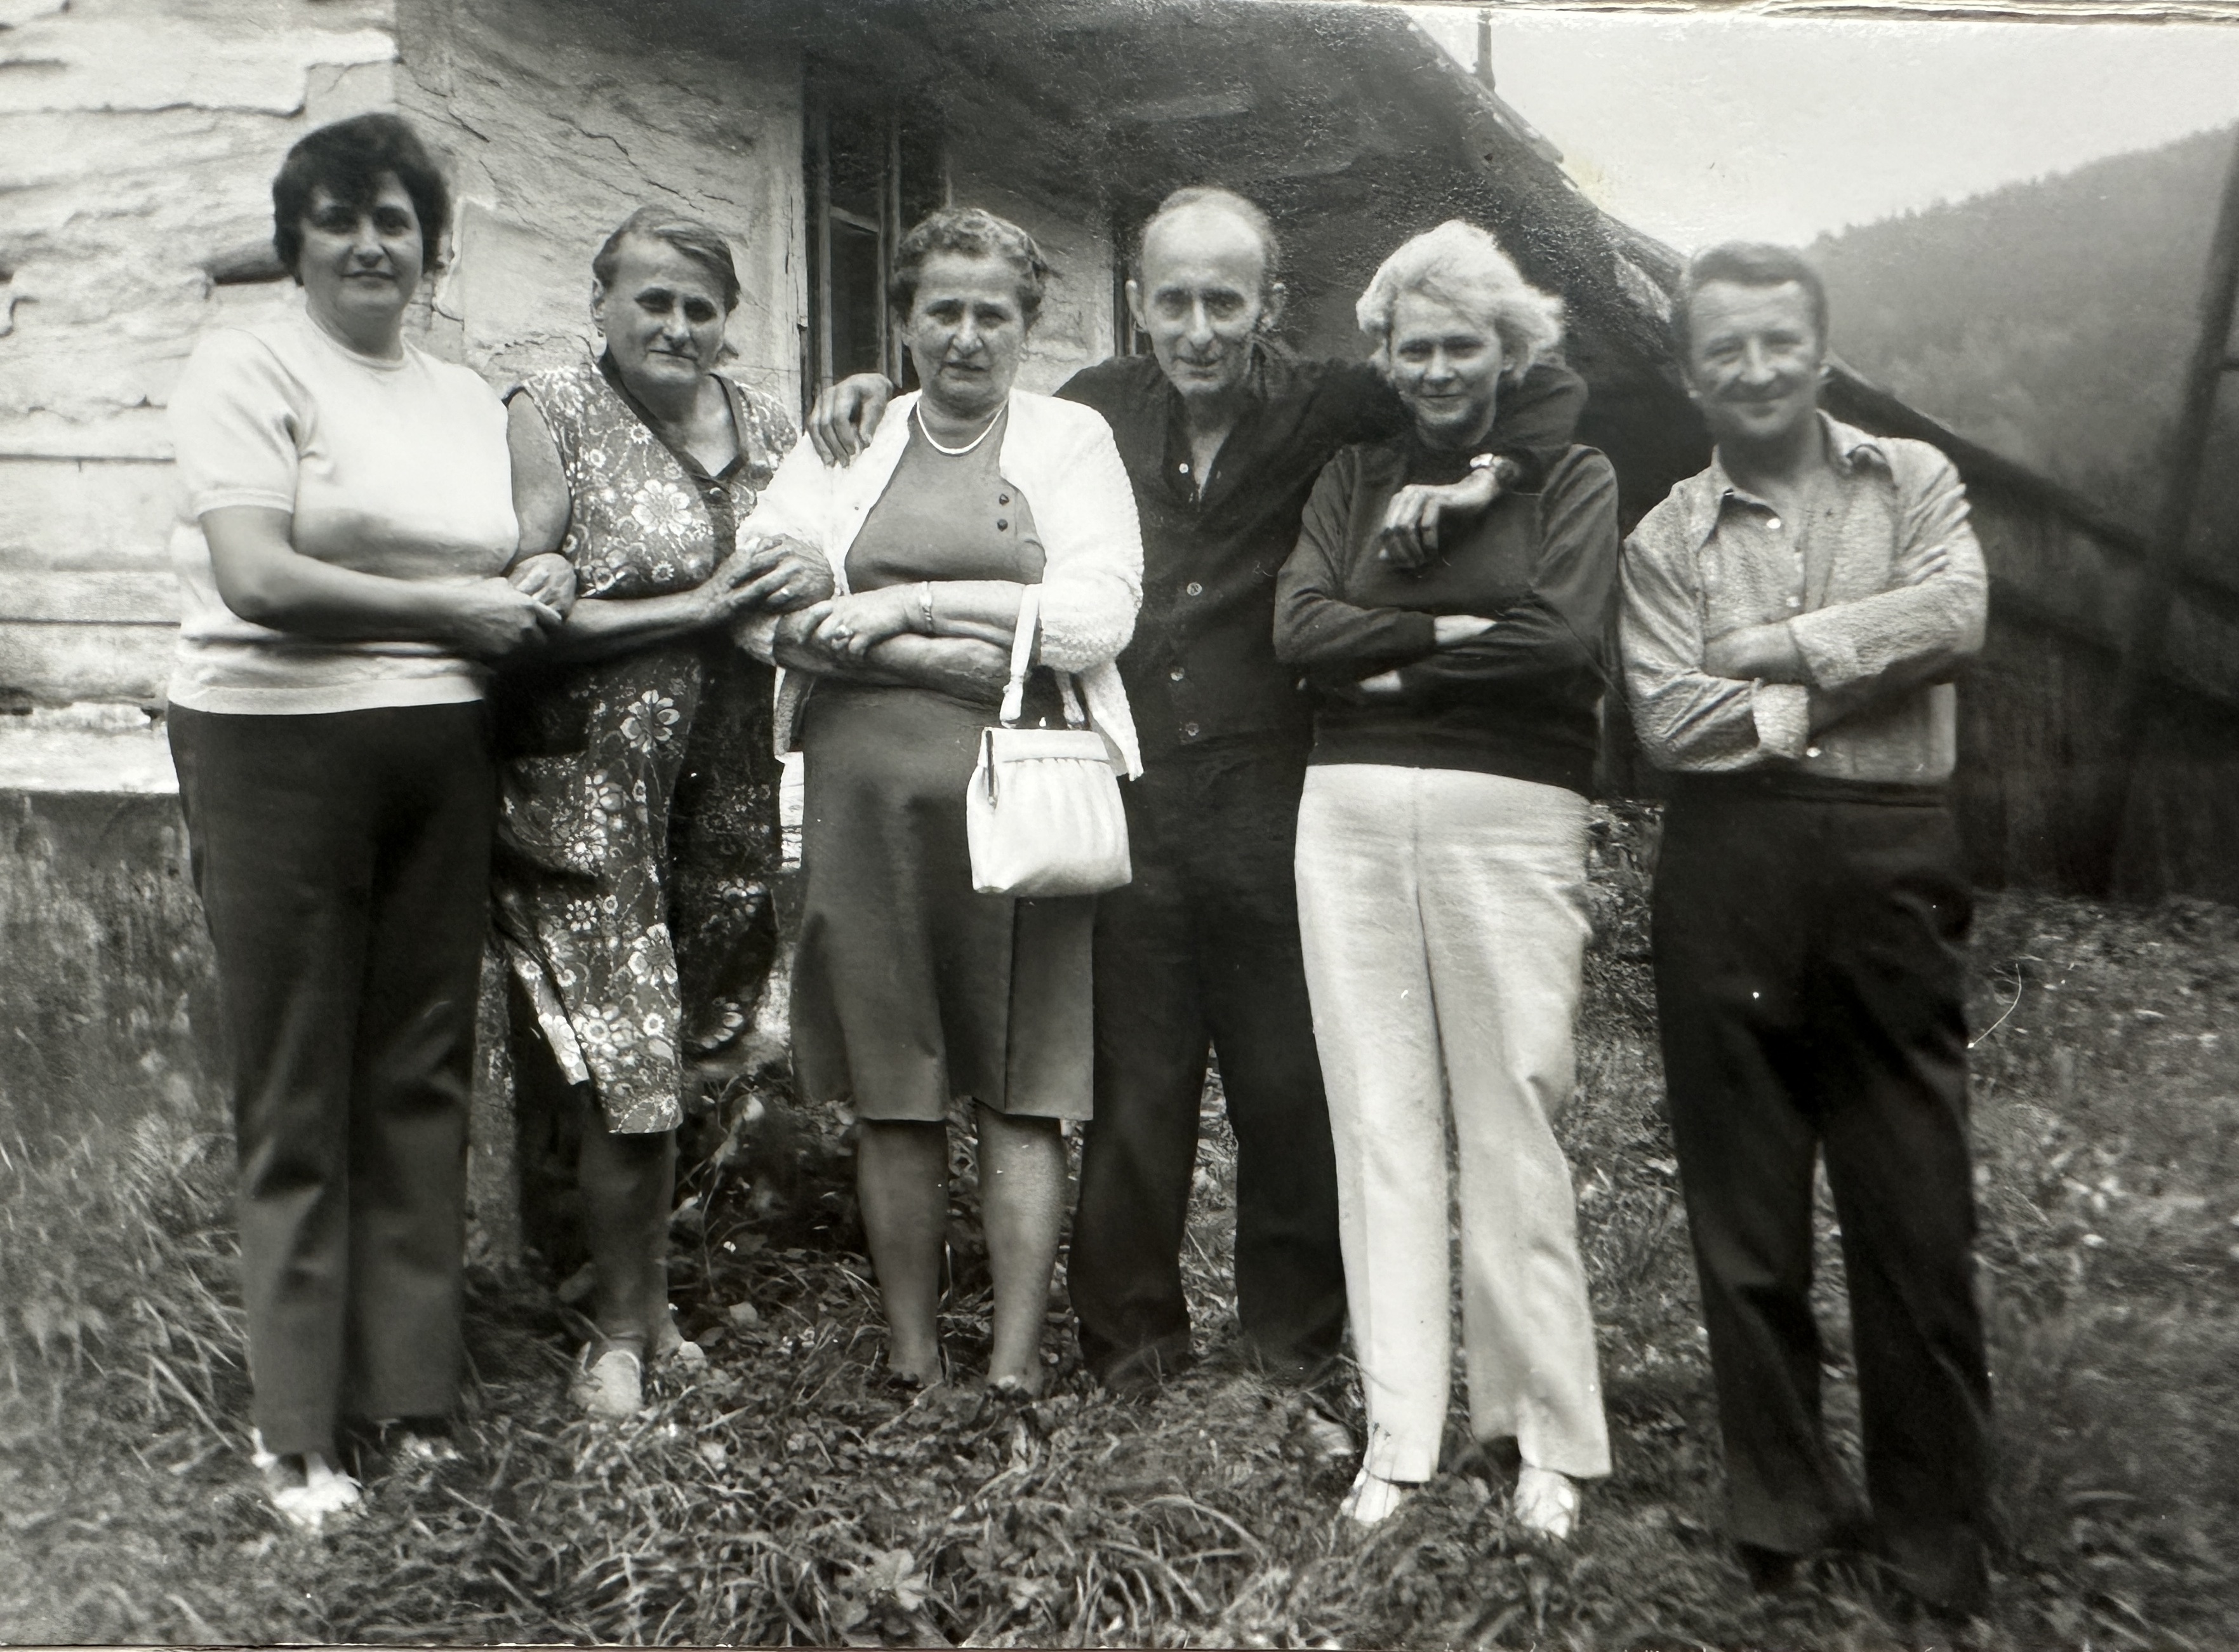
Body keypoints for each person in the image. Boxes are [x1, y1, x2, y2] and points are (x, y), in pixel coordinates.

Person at [809, 186, 1586, 1399]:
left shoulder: (1335, 401)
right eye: (1173, 301)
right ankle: (1131, 1351)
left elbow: (1534, 379)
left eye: (1226, 300)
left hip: (1279, 788)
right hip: (1134, 786)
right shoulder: (1095, 408)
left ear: (1270, 303)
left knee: (1286, 1087)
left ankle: (1289, 1351)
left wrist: (1493, 477)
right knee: (1137, 1085)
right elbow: (977, 412)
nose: (1199, 328)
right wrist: (873, 389)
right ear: (1137, 303)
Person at [164, 113, 573, 1527]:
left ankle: (410, 1396)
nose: (367, 244)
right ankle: (296, 1429)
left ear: (429, 245)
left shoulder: (460, 395)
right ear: (296, 242)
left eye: (394, 219)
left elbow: (509, 544)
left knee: (419, 1070)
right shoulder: (247, 365)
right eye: (336, 219)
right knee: (298, 1079)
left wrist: (540, 573)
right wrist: (457, 611)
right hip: (273, 741)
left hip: (438, 747)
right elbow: (258, 576)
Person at [1619, 243, 1993, 1615]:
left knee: (1915, 1204)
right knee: (1746, 1212)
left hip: (1893, 861)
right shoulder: (1663, 538)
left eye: (1780, 341)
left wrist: (1780, 652)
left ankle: (1935, 1533)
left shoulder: (1915, 480)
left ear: (1822, 351)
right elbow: (1672, 721)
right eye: (1726, 348)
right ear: (1690, 373)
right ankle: (1780, 1503)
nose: (1757, 368)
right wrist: (1862, 668)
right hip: (1727, 869)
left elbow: (1958, 611)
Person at [740, 206, 1142, 1393]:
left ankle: (1015, 1366)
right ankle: (915, 1358)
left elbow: (1098, 616)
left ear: (1027, 325)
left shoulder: (1071, 440)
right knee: (893, 1087)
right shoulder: (847, 438)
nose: (968, 336)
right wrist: (934, 657)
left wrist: (903, 608)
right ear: (905, 320)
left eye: (993, 314)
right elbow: (762, 603)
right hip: (864, 802)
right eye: (943, 311)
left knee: (1023, 1084)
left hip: (1021, 800)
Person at [1274, 222, 1617, 1536]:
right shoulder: (1354, 475)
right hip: (1348, 819)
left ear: (1507, 349)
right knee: (1379, 1115)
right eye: (1412, 346)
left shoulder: (1568, 474)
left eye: (1461, 344)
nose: (1434, 369)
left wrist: (1386, 667)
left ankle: (1545, 1437)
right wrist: (1458, 629)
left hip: (1513, 816)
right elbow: (1298, 625)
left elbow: (1560, 638)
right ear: (1385, 354)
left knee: (1513, 1110)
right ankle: (1401, 1434)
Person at [491, 206, 829, 1420]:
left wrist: (810, 571)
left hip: (730, 787)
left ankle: (641, 1292)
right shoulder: (551, 410)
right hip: (591, 789)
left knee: (697, 1040)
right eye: (652, 300)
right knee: (625, 1047)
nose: (677, 325)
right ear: (601, 304)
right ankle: (622, 1334)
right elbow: (524, 608)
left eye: (701, 306)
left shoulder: (773, 426)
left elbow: (826, 547)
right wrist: (696, 608)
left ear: (729, 319)